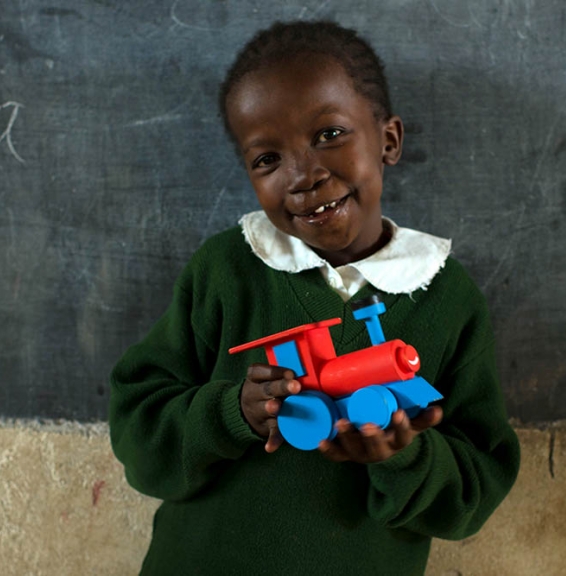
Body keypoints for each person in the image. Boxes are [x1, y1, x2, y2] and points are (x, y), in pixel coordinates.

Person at [109, 20, 520, 576]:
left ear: (389, 141)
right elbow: (138, 432)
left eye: (329, 134)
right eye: (267, 159)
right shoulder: (227, 268)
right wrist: (233, 413)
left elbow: (475, 488)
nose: (304, 176)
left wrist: (405, 456)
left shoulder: (446, 296)